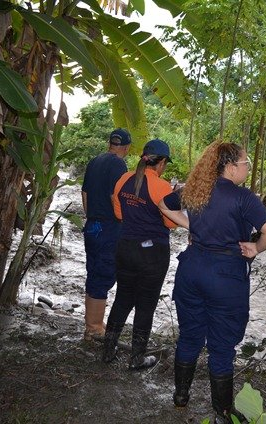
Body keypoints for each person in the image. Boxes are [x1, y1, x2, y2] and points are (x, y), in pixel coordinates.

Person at [159, 142, 266, 423]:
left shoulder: (195, 190)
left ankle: (181, 397)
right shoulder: (243, 197)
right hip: (225, 276)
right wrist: (255, 248)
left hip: (191, 269)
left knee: (190, 336)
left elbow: (164, 204)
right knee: (222, 346)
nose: (247, 168)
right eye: (245, 163)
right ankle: (222, 412)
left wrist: (194, 227)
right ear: (230, 166)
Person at [102, 138, 177, 370]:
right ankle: (137, 357)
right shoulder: (163, 187)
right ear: (161, 162)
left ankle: (107, 350)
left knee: (123, 298)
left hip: (126, 247)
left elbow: (119, 214)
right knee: (145, 305)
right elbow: (171, 223)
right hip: (152, 253)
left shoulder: (124, 179)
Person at [81, 128, 131, 340]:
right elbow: (115, 196)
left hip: (92, 224)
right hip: (109, 226)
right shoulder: (119, 164)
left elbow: (84, 193)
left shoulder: (95, 160)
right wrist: (125, 220)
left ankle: (93, 323)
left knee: (93, 271)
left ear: (110, 143)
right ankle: (94, 327)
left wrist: (91, 214)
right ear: (126, 147)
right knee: (104, 273)